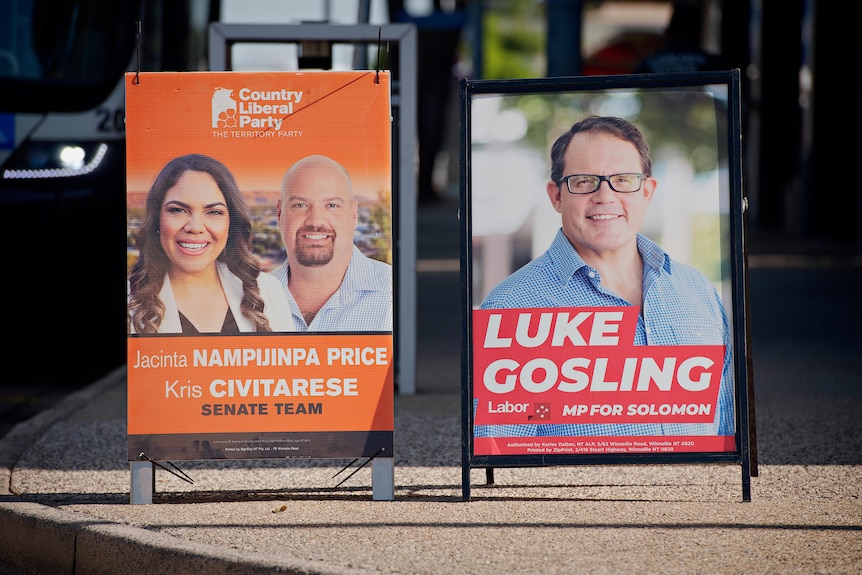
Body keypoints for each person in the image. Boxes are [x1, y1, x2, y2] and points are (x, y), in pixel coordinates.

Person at [476, 115, 734, 437]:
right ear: (557, 196)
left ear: (647, 192)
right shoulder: (510, 308)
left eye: (623, 180)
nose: (606, 196)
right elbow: (499, 454)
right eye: (584, 181)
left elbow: (725, 429)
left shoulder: (696, 291)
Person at [128, 154, 292, 334]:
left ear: (232, 222)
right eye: (178, 210)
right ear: (157, 219)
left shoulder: (268, 289)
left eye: (213, 212)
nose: (195, 227)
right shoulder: (129, 299)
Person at [270, 154, 393, 331]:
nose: (315, 221)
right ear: (280, 214)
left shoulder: (392, 291)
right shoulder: (243, 297)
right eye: (300, 205)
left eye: (332, 205)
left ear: (353, 215)